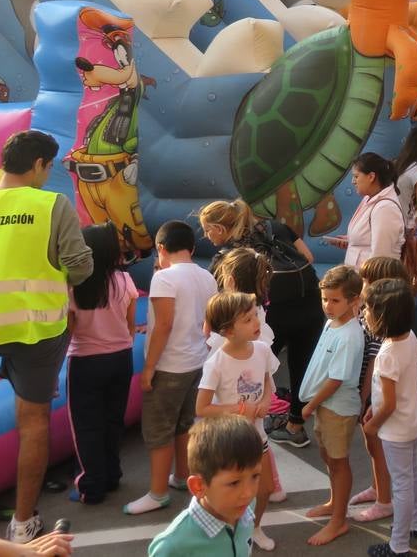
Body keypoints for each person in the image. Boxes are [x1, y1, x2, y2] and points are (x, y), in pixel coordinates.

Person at [0, 131, 92, 543]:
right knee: (33, 423)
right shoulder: (52, 204)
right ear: (38, 164)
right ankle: (22, 525)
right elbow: (79, 266)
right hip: (35, 328)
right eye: (49, 166)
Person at [199, 199, 322, 450]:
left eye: (208, 229)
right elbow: (308, 257)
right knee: (301, 366)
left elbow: (222, 302)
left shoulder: (227, 256)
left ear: (220, 229)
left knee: (251, 370)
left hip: (271, 315)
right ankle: (295, 427)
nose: (206, 235)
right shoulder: (275, 227)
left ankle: (246, 425)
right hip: (309, 304)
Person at [125, 222, 218, 516]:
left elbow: (164, 325)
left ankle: (158, 493)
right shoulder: (207, 277)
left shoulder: (164, 278)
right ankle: (181, 476)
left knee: (159, 430)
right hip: (197, 361)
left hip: (171, 365)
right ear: (191, 248)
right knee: (184, 424)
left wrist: (149, 368)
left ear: (161, 249)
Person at [197, 293, 278, 551]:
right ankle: (228, 532)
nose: (256, 322)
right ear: (229, 331)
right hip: (230, 441)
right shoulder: (216, 363)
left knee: (264, 488)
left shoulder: (263, 350)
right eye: (247, 319)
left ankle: (254, 528)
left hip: (257, 437)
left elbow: (268, 384)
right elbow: (202, 407)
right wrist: (237, 410)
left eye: (255, 315)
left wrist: (265, 401)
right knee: (230, 492)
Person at [67, 223, 135, 505]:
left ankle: (92, 485)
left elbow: (69, 329)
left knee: (87, 426)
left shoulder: (73, 285)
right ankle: (111, 474)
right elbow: (131, 327)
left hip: (85, 361)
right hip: (121, 359)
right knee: (112, 420)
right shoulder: (124, 281)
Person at [297, 265, 365, 546]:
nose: (328, 305)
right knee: (328, 457)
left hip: (336, 407)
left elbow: (336, 379)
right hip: (326, 406)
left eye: (335, 300)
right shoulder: (332, 323)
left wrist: (310, 405)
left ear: (354, 301)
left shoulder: (350, 335)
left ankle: (339, 521)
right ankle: (334, 502)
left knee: (339, 462)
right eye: (325, 299)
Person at [361, 279, 417, 557]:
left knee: (401, 483)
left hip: (396, 428)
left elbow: (388, 403)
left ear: (383, 316)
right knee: (413, 472)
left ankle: (398, 545)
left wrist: (372, 425)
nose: (364, 312)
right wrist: (374, 409)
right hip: (413, 418)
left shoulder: (387, 354)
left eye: (368, 308)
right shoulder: (409, 337)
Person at [349, 256, 411, 523]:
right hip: (371, 394)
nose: (362, 284)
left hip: (373, 394)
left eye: (366, 280)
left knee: (376, 444)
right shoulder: (371, 312)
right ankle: (377, 487)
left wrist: (362, 400)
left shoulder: (380, 322)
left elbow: (374, 364)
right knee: (372, 445)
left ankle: (384, 500)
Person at [147, 415, 262, 557]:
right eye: (234, 483)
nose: (249, 493)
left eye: (255, 476)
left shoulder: (246, 507)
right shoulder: (174, 545)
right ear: (198, 486)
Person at [326, 153, 405, 270]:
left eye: (356, 176)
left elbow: (380, 257)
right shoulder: (370, 198)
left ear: (371, 177)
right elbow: (368, 239)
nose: (353, 181)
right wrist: (351, 241)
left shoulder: (385, 208)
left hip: (371, 283)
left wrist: (366, 286)